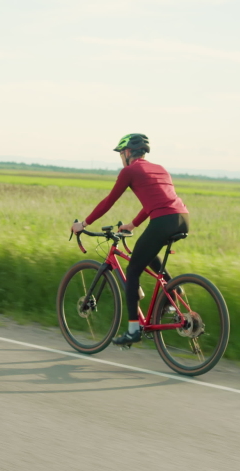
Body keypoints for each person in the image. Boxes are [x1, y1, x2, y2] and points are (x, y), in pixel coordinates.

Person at [70, 133, 189, 346]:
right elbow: (156, 202)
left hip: (163, 221)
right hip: (182, 219)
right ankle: (173, 289)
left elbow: (109, 201)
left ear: (127, 152)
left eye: (120, 154)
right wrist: (133, 224)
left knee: (133, 270)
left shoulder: (129, 171)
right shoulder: (160, 169)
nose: (120, 158)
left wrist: (84, 224)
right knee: (146, 253)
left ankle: (133, 330)